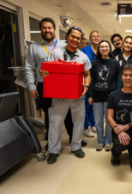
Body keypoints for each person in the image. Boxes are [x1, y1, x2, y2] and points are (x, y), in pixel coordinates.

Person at [25, 17, 87, 151]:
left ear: (54, 30)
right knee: (50, 114)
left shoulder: (64, 45)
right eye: (44, 28)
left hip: (66, 85)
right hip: (44, 85)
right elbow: (29, 68)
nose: (47, 30)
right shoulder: (33, 47)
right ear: (40, 29)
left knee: (70, 114)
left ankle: (73, 139)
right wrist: (31, 86)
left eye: (50, 28)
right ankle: (51, 140)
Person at [39, 26, 91, 164]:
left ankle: (76, 146)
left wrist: (86, 86)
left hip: (77, 96)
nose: (75, 40)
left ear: (81, 40)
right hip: (59, 95)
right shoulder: (55, 53)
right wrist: (42, 73)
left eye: (78, 38)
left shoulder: (83, 56)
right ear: (67, 36)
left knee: (78, 122)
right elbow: (45, 70)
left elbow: (88, 74)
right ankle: (53, 150)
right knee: (55, 122)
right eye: (73, 36)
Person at [107, 64, 132, 172]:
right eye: (125, 75)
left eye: (131, 75)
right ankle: (115, 153)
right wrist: (117, 129)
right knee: (120, 144)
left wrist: (126, 127)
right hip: (119, 130)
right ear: (121, 76)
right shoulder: (113, 95)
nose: (128, 78)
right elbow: (109, 117)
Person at [88, 40, 122, 151]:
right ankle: (100, 142)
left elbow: (118, 79)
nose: (104, 48)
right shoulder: (94, 63)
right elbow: (91, 79)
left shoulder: (114, 63)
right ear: (99, 49)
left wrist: (117, 94)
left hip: (110, 96)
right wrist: (90, 95)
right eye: (101, 47)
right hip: (97, 95)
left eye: (106, 46)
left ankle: (108, 141)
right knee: (98, 121)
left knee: (109, 121)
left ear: (109, 48)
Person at [81, 30, 101, 137]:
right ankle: (85, 127)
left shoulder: (101, 50)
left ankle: (93, 124)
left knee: (93, 104)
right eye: (93, 36)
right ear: (90, 39)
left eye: (97, 36)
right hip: (86, 80)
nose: (96, 38)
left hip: (97, 82)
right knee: (86, 105)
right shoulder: (84, 50)